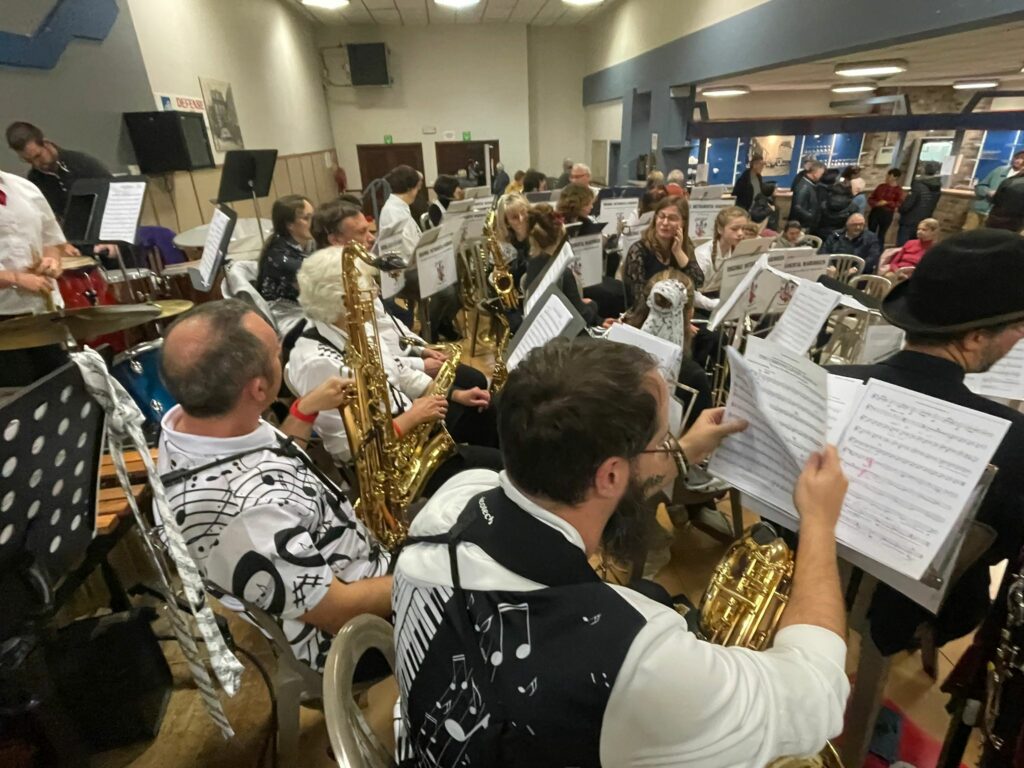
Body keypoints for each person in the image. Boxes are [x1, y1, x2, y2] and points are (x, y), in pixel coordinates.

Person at [393, 337, 851, 767]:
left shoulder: (450, 503)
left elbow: (586, 489)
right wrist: (818, 522)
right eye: (662, 442)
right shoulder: (637, 655)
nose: (668, 448)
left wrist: (680, 452)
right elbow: (818, 695)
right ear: (611, 475)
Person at [157, 300, 392, 673]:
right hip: (353, 637)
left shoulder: (202, 422)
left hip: (359, 564)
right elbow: (339, 611)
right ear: (258, 388)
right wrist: (430, 574)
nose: (281, 355)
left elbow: (273, 471)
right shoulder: (242, 514)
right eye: (276, 352)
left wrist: (304, 409)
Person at [831, 229, 1024, 657]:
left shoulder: (830, 381)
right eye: (1017, 327)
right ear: (975, 337)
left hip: (807, 561)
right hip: (907, 608)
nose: (1021, 338)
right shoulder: (1015, 441)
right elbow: (1001, 551)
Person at [290, 247, 502, 479]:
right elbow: (349, 450)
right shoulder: (317, 363)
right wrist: (414, 416)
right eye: (369, 285)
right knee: (497, 464)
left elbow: (397, 373)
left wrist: (455, 394)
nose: (377, 291)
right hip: (389, 464)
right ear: (344, 300)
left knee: (485, 412)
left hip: (407, 425)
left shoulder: (358, 326)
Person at [309, 197, 488, 392]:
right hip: (393, 376)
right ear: (335, 240)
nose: (371, 238)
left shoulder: (358, 267)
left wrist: (422, 349)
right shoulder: (333, 288)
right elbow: (377, 354)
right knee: (475, 384)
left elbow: (387, 322)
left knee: (476, 380)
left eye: (369, 230)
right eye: (361, 232)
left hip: (402, 359)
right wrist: (421, 364)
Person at [0, 168, 68, 387]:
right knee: (18, 395)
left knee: (62, 387)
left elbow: (52, 239)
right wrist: (15, 278)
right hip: (5, 317)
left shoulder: (25, 187)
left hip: (44, 311)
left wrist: (52, 260)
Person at [380, 165, 460, 341]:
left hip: (412, 264)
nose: (417, 192)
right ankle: (429, 331)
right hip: (401, 272)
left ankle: (441, 323)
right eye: (417, 187)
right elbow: (409, 253)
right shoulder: (393, 211)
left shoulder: (400, 206)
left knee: (457, 277)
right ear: (411, 188)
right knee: (445, 290)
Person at [5, 121, 111, 220]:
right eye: (28, 160)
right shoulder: (35, 179)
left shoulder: (81, 162)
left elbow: (111, 190)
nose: (36, 164)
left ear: (46, 143)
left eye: (38, 156)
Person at [523, 204, 602, 326]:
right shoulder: (563, 273)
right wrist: (592, 305)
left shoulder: (532, 264)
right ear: (561, 232)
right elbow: (582, 318)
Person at [622, 196, 703, 314]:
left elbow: (698, 282)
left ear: (683, 222)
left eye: (672, 218)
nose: (665, 223)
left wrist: (678, 252)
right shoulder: (638, 250)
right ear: (655, 218)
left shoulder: (684, 246)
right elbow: (637, 300)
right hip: (648, 315)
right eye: (661, 216)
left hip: (678, 313)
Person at [254, 195, 313, 303]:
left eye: (313, 216)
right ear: (289, 224)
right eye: (306, 218)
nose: (313, 222)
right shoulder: (279, 256)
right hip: (285, 310)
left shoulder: (304, 243)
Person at [693, 205, 749, 312]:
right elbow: (691, 293)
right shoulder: (703, 255)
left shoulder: (737, 252)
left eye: (743, 229)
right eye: (734, 229)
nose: (740, 233)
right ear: (720, 229)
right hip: (699, 306)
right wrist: (715, 305)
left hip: (718, 299)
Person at [968, 150, 1024, 230]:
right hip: (979, 210)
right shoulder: (999, 170)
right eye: (1016, 158)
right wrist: (988, 192)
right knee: (968, 234)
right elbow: (979, 186)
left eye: (1022, 158)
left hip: (1002, 218)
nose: (1018, 160)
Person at [897, 160, 943, 245]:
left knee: (903, 246)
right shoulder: (937, 187)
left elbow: (907, 205)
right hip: (924, 221)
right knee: (917, 246)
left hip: (909, 221)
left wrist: (901, 209)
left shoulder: (918, 186)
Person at [867, 168, 905, 243]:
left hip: (887, 213)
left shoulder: (898, 190)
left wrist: (887, 203)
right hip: (876, 211)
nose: (887, 177)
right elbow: (871, 198)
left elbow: (899, 203)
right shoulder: (881, 186)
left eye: (889, 176)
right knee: (870, 232)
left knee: (881, 234)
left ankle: (879, 248)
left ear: (895, 177)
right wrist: (876, 203)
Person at [790, 160, 825, 231]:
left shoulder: (809, 184)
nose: (822, 176)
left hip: (805, 224)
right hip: (802, 226)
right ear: (815, 172)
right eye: (821, 173)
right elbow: (797, 207)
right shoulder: (804, 186)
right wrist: (811, 216)